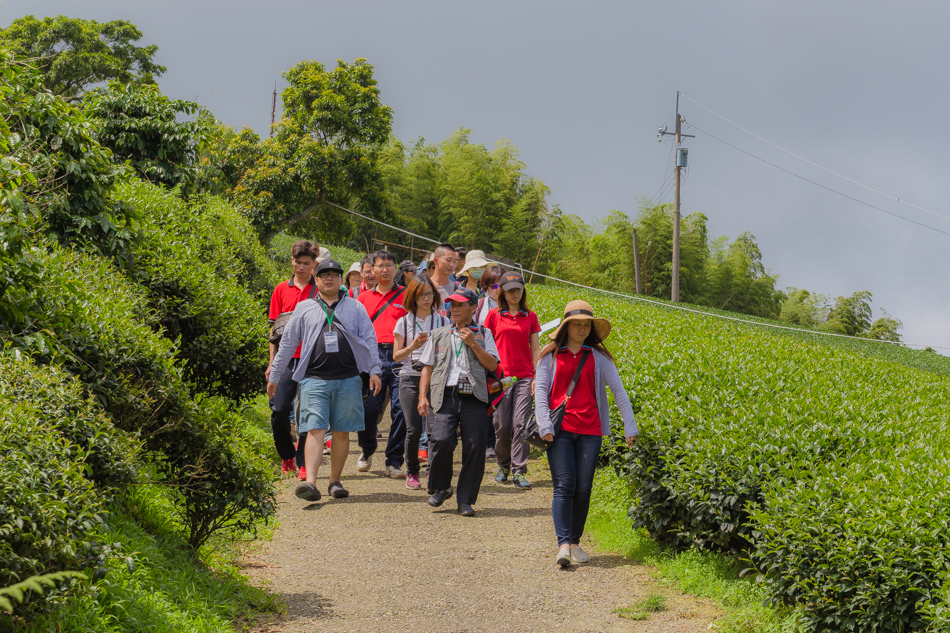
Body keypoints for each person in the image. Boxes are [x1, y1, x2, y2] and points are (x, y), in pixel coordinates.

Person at [267, 259, 382, 502]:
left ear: (342, 280)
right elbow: (287, 344)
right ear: (316, 279)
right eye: (324, 275)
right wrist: (275, 375)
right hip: (313, 378)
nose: (329, 278)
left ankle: (335, 481)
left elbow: (369, 339)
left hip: (348, 378)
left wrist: (374, 370)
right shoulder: (304, 307)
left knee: (341, 432)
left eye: (334, 274)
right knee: (314, 429)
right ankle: (310, 482)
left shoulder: (355, 307)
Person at [534, 300, 638, 567]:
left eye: (586, 324)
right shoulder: (550, 355)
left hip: (591, 430)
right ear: (566, 327)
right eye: (576, 324)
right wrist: (544, 425)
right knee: (565, 484)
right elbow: (542, 393)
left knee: (583, 488)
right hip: (560, 430)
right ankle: (563, 544)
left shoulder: (599, 357)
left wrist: (630, 426)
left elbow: (619, 391)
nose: (581, 329)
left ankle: (575, 541)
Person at [418, 287, 499, 517]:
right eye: (452, 304)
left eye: (460, 305)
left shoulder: (484, 333)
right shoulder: (439, 334)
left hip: (474, 396)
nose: (454, 309)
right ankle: (442, 487)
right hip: (445, 394)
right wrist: (423, 396)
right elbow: (427, 367)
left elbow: (492, 365)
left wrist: (473, 343)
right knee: (441, 440)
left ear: (473, 308)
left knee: (474, 447)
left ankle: (466, 500)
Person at [484, 272, 541, 490]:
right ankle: (503, 464)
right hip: (502, 378)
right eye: (510, 290)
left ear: (522, 291)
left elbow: (535, 348)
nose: (514, 293)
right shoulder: (493, 316)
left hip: (525, 376)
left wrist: (537, 376)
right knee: (502, 424)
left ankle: (519, 470)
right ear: (503, 293)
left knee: (520, 423)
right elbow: (486, 348)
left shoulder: (531, 316)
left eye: (518, 289)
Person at [266, 240, 318, 476]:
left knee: (309, 412)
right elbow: (273, 330)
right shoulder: (280, 289)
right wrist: (271, 363)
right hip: (286, 359)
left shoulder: (320, 290)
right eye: (298, 262)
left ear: (314, 264)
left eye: (306, 263)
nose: (301, 267)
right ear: (292, 261)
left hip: (313, 359)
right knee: (279, 409)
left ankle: (304, 462)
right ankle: (287, 455)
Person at [356, 250, 410, 478]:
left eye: (390, 265)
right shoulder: (362, 299)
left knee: (401, 409)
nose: (385, 269)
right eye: (380, 265)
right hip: (372, 356)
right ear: (372, 270)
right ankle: (367, 449)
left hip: (401, 355)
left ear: (396, 268)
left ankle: (394, 460)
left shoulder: (408, 295)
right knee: (369, 408)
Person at [393, 275, 449, 490]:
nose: (426, 299)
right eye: (421, 295)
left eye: (429, 294)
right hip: (409, 377)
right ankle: (412, 471)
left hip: (436, 378)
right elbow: (397, 356)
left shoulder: (443, 321)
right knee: (413, 430)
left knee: (436, 430)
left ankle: (432, 472)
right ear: (412, 297)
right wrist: (413, 347)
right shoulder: (404, 321)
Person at [426, 243, 459, 315]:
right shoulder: (423, 287)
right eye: (448, 260)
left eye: (454, 262)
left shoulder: (456, 290)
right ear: (435, 260)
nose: (452, 265)